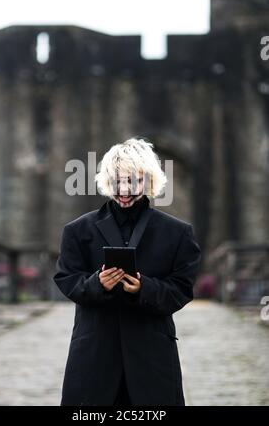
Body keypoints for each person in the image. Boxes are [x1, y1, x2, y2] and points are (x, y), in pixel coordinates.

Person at [54, 137, 201, 406]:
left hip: (152, 355)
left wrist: (144, 288)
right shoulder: (76, 230)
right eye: (117, 181)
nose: (124, 189)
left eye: (133, 181)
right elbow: (66, 278)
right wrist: (97, 284)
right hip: (94, 353)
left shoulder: (178, 233)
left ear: (149, 181)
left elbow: (182, 288)